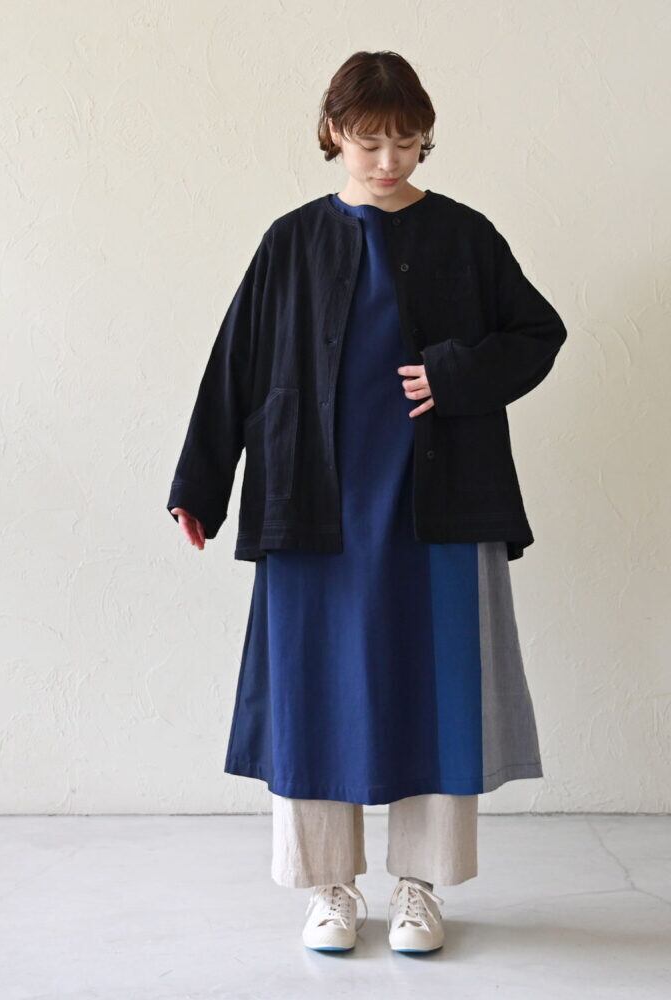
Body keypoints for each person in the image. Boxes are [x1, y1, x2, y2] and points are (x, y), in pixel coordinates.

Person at [167, 50, 566, 954]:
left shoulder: (465, 235)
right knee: (315, 690)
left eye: (407, 142)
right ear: (333, 133)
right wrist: (200, 484)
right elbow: (235, 365)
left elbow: (539, 332)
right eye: (370, 141)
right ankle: (329, 889)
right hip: (312, 501)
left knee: (437, 687)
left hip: (440, 499)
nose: (389, 161)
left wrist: (456, 374)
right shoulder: (291, 241)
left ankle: (421, 887)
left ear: (426, 139)